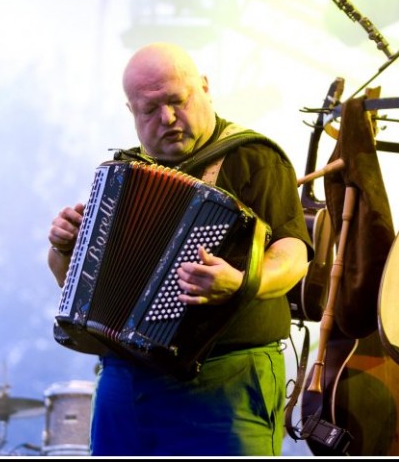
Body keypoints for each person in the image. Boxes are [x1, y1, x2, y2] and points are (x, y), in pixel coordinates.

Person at [47, 42, 313, 456]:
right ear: (131, 112)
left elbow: (294, 253)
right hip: (127, 382)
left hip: (226, 383)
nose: (167, 119)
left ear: (204, 88)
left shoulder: (255, 158)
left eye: (177, 101)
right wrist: (65, 249)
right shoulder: (122, 174)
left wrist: (243, 282)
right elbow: (79, 291)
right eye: (149, 110)